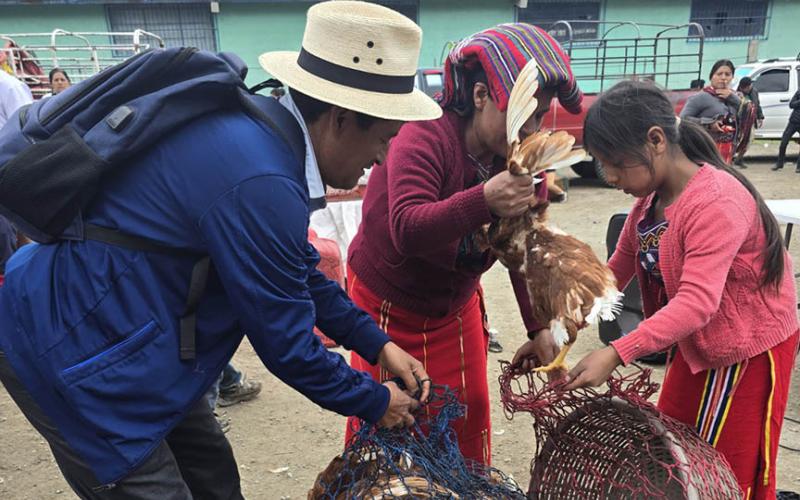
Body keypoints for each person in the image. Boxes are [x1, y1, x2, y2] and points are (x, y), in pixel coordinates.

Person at [0, 2, 440, 498]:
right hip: (71, 343)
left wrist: (376, 344)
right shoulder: (260, 177)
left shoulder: (265, 138)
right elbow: (287, 345)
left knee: (212, 475)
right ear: (339, 119)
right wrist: (373, 400)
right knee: (154, 489)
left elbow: (296, 271)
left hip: (133, 336)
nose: (383, 159)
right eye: (384, 139)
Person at [345, 23, 583, 465]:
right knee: (392, 418)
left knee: (467, 411)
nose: (533, 127)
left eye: (542, 113)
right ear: (480, 96)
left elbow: (521, 250)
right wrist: (485, 199)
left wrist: (538, 328)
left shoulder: (526, 160)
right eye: (524, 111)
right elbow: (407, 228)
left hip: (453, 306)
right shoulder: (424, 134)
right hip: (387, 301)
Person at [566, 81, 799, 499]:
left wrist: (618, 352)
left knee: (727, 469)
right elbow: (615, 271)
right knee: (671, 448)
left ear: (655, 140)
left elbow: (696, 303)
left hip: (748, 347)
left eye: (616, 164)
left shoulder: (716, 202)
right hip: (697, 342)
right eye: (604, 168)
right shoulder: (649, 202)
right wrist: (564, 323)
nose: (612, 178)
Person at [680, 60, 741, 163]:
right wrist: (708, 123)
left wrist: (733, 98)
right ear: (711, 76)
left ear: (732, 77)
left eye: (727, 74)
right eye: (719, 74)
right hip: (705, 151)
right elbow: (683, 119)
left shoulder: (735, 98)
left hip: (728, 151)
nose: (723, 78)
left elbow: (746, 115)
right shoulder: (701, 97)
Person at [733, 76, 762, 168]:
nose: (751, 87)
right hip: (740, 122)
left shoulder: (754, 91)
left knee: (748, 141)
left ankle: (739, 159)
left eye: (750, 85)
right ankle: (729, 159)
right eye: (748, 86)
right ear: (742, 87)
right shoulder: (736, 95)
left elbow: (757, 104)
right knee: (737, 141)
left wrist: (760, 117)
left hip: (751, 121)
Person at [771, 87, 800, 172]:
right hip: (793, 121)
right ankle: (779, 163)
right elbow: (791, 105)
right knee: (783, 142)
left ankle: (799, 167)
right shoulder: (798, 92)